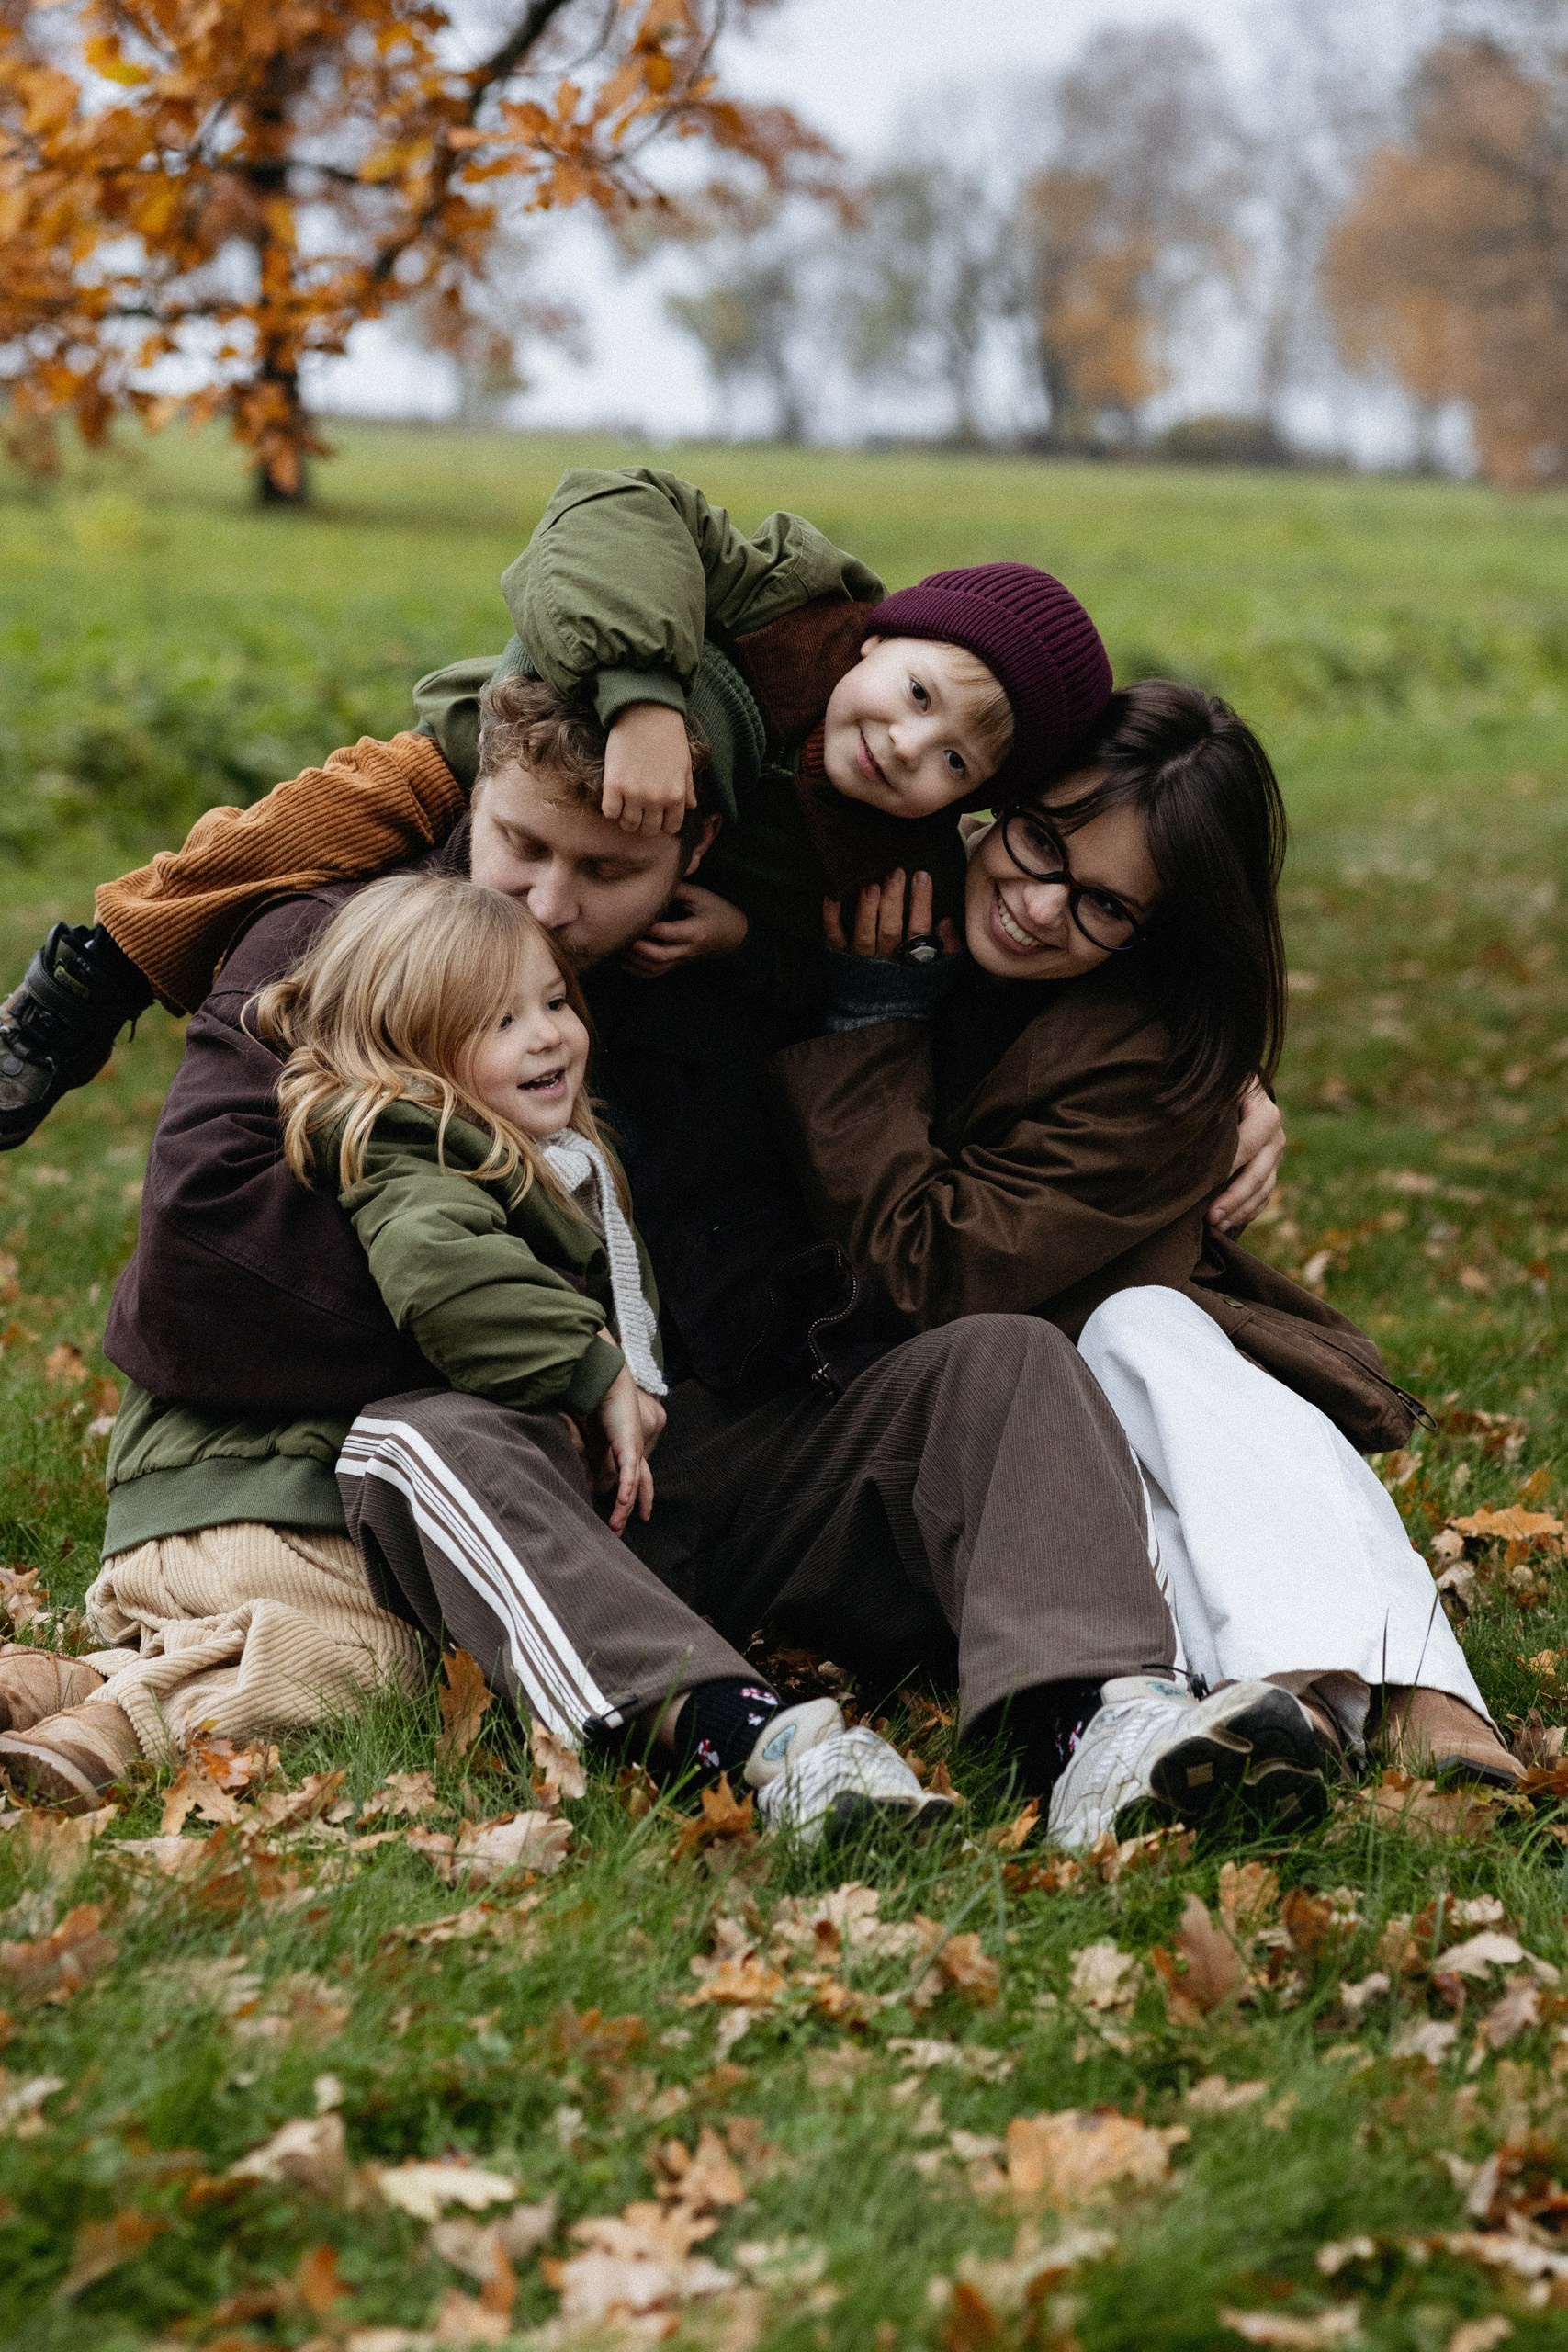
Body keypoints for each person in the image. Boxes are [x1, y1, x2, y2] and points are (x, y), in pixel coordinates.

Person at [0, 676, 1321, 1848]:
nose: (547, 902)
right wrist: (568, 1370)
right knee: (432, 1431)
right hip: (408, 1464)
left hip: (669, 1468)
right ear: (482, 798)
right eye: (519, 845)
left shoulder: (720, 958)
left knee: (1000, 1365)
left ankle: (1095, 1727)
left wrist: (1221, 1080)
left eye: (605, 870)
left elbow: (944, 739)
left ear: (693, 850)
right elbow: (205, 1266)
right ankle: (745, 1741)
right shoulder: (355, 951)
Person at [770, 677, 1518, 1789]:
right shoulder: (884, 877)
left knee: (1140, 1331)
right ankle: (1369, 1693)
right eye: (1037, 842)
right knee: (1121, 1351)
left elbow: (943, 1268)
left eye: (1104, 906)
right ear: (1002, 794)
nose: (1039, 904)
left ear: (1154, 933)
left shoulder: (1150, 1055)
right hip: (927, 1448)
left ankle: (1352, 1700)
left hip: (1083, 1413)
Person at [0, 466, 1115, 1146]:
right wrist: (638, 698)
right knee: (306, 829)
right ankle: (94, 977)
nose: (908, 744)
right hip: (512, 750)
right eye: (918, 694)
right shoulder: (789, 596)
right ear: (885, 632)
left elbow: (828, 959)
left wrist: (745, 934)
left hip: (641, 886)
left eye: (957, 762)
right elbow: (611, 511)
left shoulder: (890, 849)